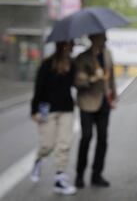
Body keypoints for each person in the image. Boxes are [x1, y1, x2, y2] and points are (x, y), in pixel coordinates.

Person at [30, 41, 76, 195]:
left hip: (66, 109)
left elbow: (74, 84)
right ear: (62, 46)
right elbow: (38, 88)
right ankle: (39, 159)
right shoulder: (47, 64)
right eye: (70, 45)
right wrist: (34, 110)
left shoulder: (72, 64)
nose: (72, 47)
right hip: (46, 109)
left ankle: (59, 179)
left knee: (64, 143)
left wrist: (71, 72)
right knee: (47, 145)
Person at [74, 32, 117, 188]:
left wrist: (114, 97)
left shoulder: (108, 54)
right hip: (87, 102)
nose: (106, 39)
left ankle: (96, 175)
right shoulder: (82, 57)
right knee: (86, 137)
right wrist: (92, 77)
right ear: (93, 38)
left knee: (103, 139)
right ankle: (79, 175)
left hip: (104, 102)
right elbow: (78, 81)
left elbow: (111, 77)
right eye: (102, 36)